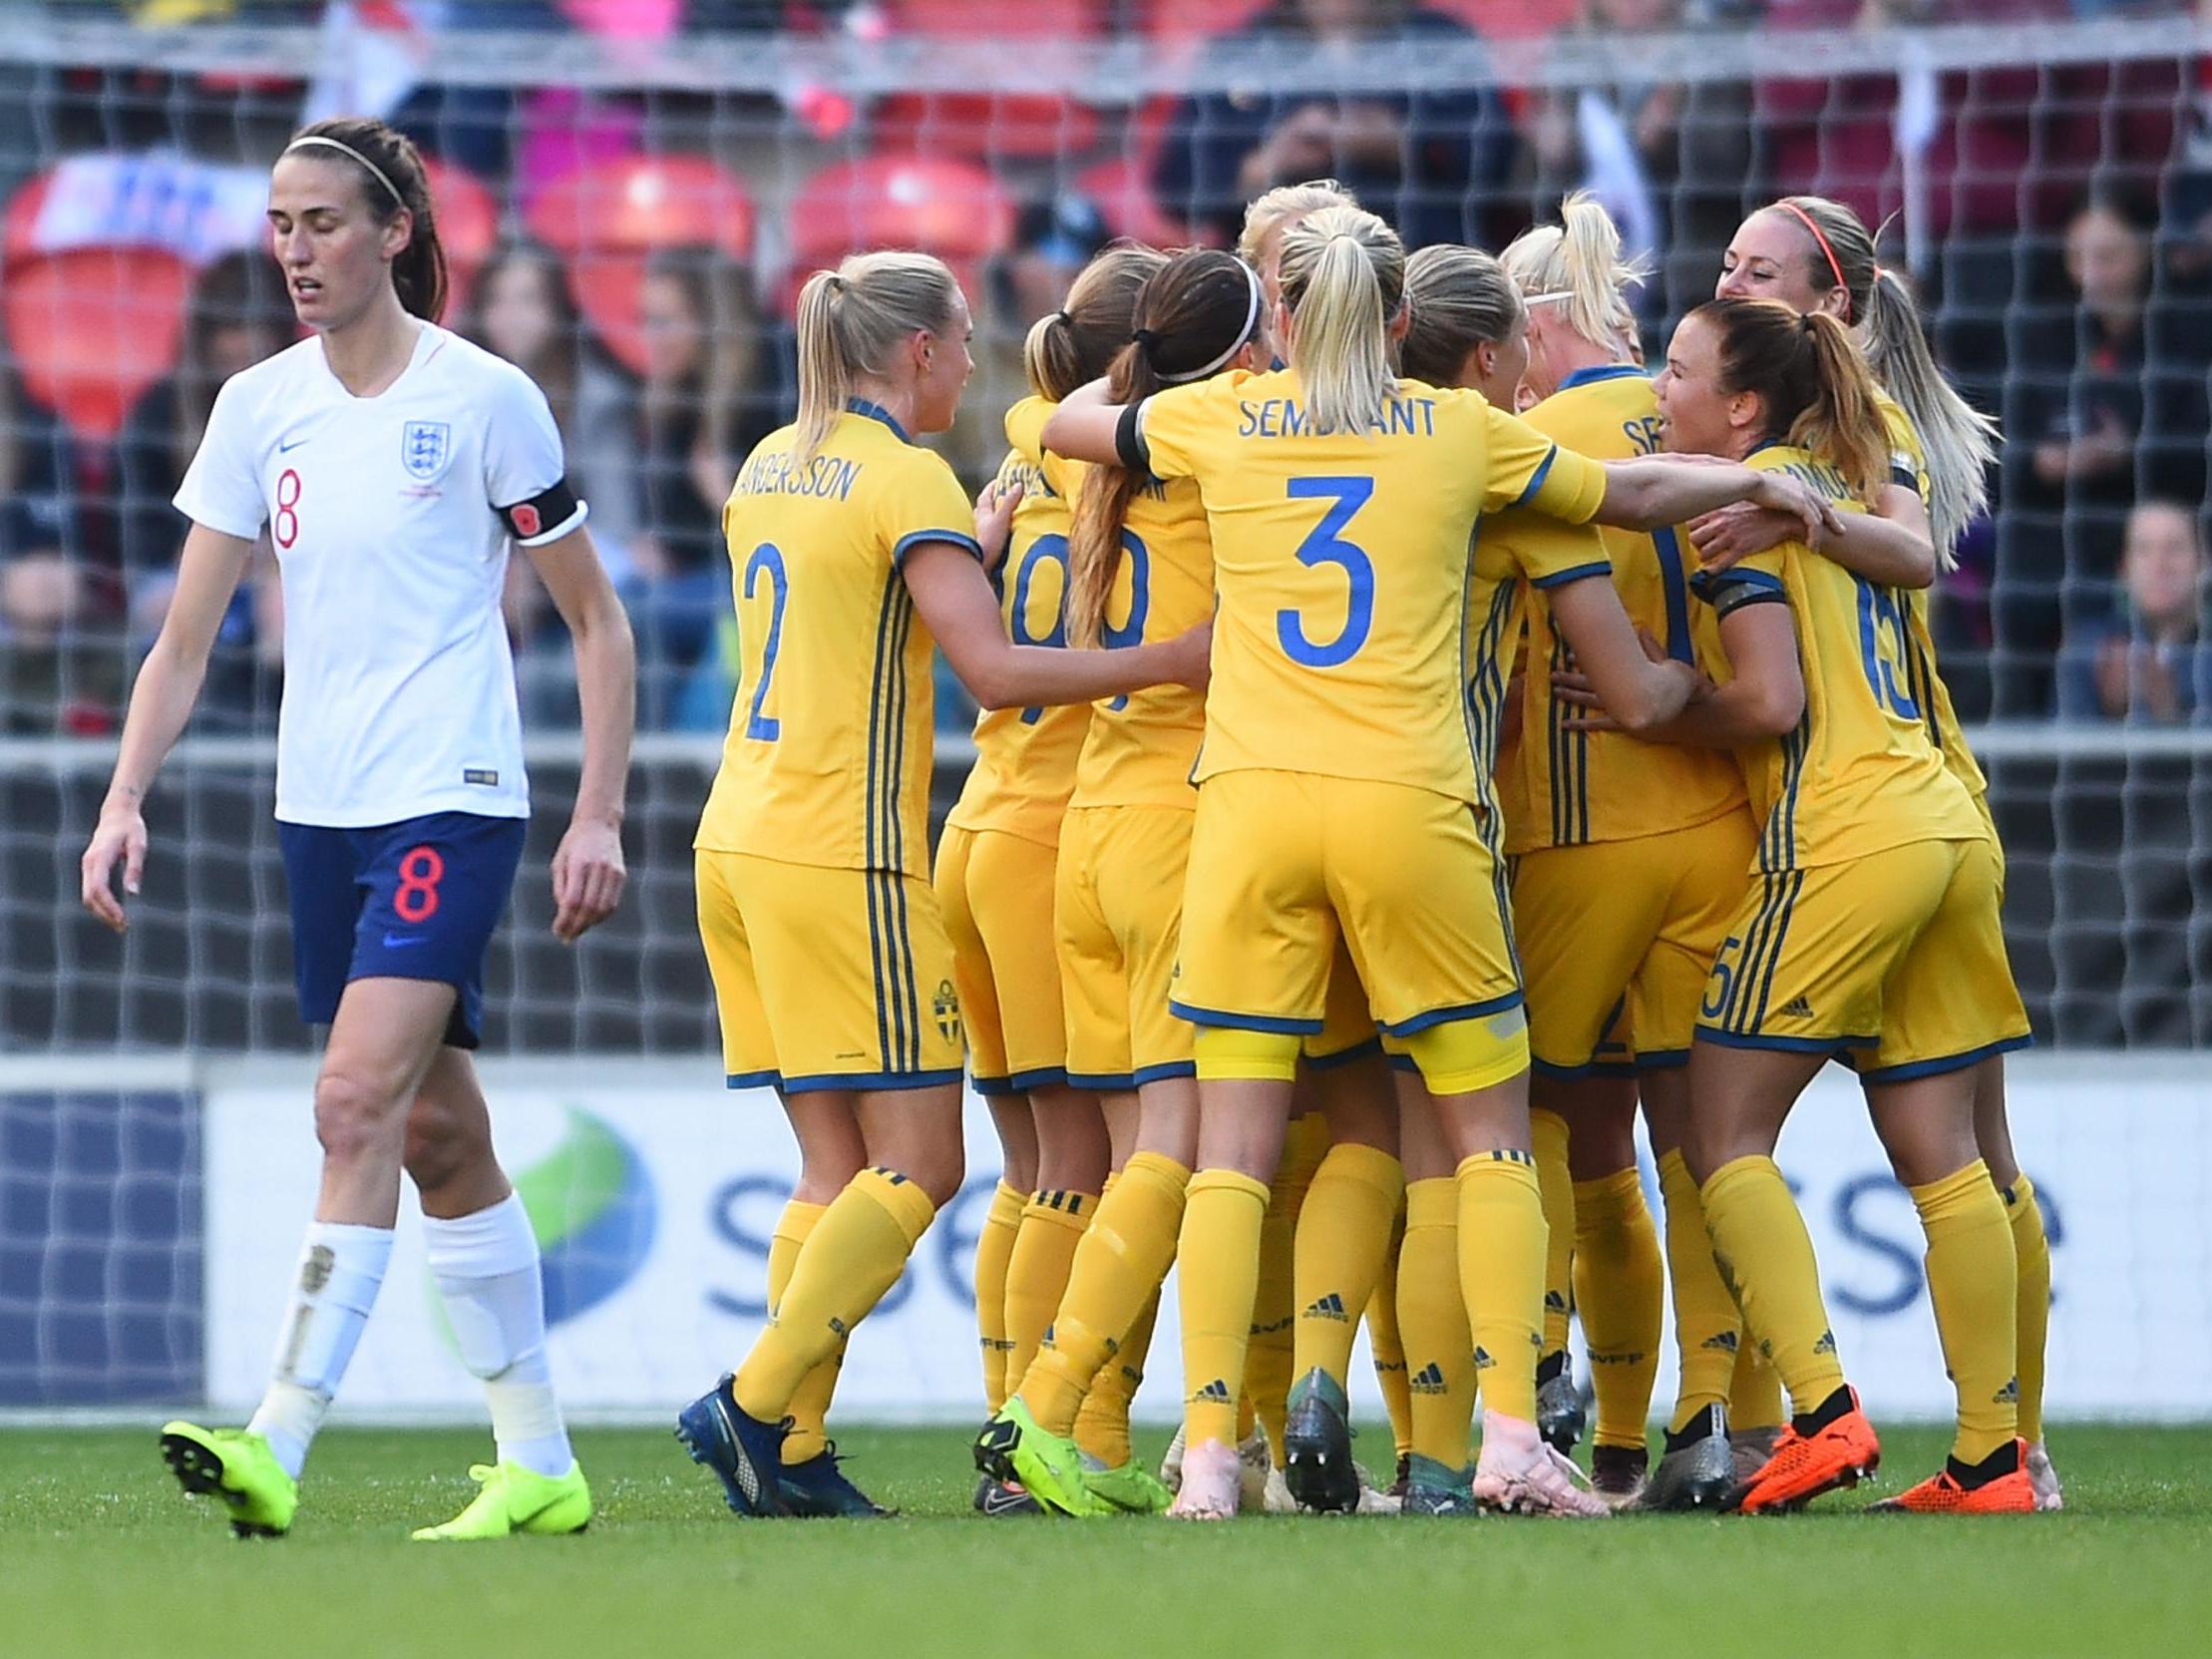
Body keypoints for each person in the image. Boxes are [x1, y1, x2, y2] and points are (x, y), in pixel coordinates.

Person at [1041, 204, 1836, 1521]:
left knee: (1231, 1143)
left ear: (1289, 316)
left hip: (1246, 813)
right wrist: (1759, 481)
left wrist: (1117, 381)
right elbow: (1631, 489)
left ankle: (1201, 1460)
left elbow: (1063, 420)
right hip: (1411, 807)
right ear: (1403, 323)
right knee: (1481, 1131)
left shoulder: (1221, 421)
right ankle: (1511, 1435)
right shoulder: (1461, 434)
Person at [80, 115, 637, 1541]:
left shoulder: (488, 397)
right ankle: (541, 1457)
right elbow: (184, 637)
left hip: (451, 791)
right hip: (314, 806)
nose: (295, 251)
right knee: (440, 1132)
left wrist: (599, 811)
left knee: (349, 1104)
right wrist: (125, 792)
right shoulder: (257, 404)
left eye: (322, 222)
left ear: (394, 231)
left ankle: (275, 1437)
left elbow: (594, 616)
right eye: (279, 225)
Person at [674, 248, 1210, 1521]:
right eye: (961, 340)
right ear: (915, 351)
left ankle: (790, 1451)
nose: (972, 362)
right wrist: (1177, 654)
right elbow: (998, 674)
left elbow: (851, 598)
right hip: (837, 849)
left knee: (829, 1166)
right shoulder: (907, 471)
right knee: (920, 1164)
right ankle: (751, 1403)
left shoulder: (771, 459)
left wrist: (960, 547)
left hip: (736, 840)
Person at [1638, 295, 2034, 1514]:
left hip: (1848, 833)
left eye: (1678, 368)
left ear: (1743, 404)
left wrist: (1657, 700)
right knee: (1946, 1155)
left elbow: (1767, 704)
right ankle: (1991, 1458)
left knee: (1721, 1131)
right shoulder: (1863, 462)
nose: (1660, 389)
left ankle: (1820, 1413)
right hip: (1948, 820)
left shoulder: (1742, 498)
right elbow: (1908, 555)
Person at [974, 247, 1263, 1519]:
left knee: (1062, 1162)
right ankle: (1058, 1416)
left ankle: (1064, 1435)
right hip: (1177, 826)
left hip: (1079, 827)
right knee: (1174, 1150)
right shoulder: (1223, 440)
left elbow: (1041, 407)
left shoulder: (1055, 444)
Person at [945, 241, 1163, 1518]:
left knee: (1033, 1168)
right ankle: (1059, 1440)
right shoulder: (1128, 475)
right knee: (1086, 1162)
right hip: (1056, 839)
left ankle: (1011, 1431)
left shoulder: (1019, 465)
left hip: (979, 827)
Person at [1150, 0, 1518, 253]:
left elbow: (1503, 169)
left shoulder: (1440, 41)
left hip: (1424, 260)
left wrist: (1403, 147)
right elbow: (1176, 187)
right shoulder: (1242, 50)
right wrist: (1269, 162)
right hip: (1281, 273)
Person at [2060, 498, 2210, 723]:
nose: (2160, 565)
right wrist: (2110, 712)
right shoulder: (2088, 646)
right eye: (2143, 550)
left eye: (2175, 548)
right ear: (2124, 569)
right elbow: (2054, 745)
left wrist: (2167, 712)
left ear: (2204, 564)